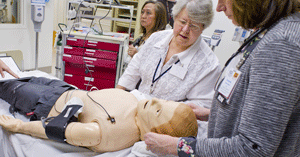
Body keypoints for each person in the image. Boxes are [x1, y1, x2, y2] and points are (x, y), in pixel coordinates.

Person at [144, 0, 300, 156]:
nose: (219, 6)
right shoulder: (269, 32)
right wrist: (215, 113)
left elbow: (252, 149)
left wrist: (178, 146)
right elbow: (264, 119)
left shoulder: (280, 44)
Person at [0, 77, 198, 153]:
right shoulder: (139, 105)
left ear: (156, 132)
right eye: (166, 102)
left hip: (45, 103)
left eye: (158, 110)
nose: (156, 101)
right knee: (15, 77)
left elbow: (56, 129)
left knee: (5, 86)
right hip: (65, 88)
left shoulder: (106, 133)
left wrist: (19, 126)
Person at [117, 0, 221, 110]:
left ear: (203, 28)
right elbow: (133, 69)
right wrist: (116, 97)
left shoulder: (209, 65)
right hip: (137, 110)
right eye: (182, 22)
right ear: (175, 17)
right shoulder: (156, 38)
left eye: (194, 26)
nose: (185, 29)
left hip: (169, 124)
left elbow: (199, 109)